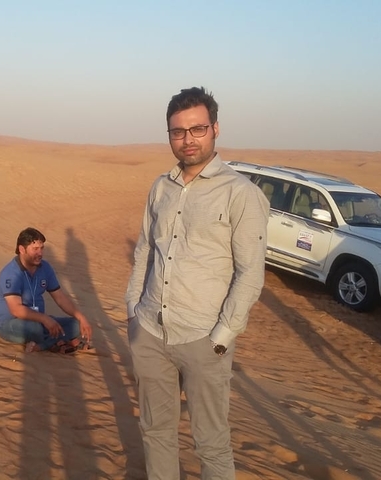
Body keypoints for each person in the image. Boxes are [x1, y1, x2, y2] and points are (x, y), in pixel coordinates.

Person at [125, 87, 269, 479]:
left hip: (204, 339)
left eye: (197, 129)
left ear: (215, 129)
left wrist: (221, 337)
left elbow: (250, 273)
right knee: (155, 431)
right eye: (177, 131)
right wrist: (133, 314)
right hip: (151, 332)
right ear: (169, 136)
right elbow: (144, 252)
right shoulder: (161, 187)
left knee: (211, 443)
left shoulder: (242, 194)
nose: (187, 139)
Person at [0, 227, 93, 353]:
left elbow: (60, 298)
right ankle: (55, 342)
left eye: (42, 248)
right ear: (22, 249)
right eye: (35, 249)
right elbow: (16, 309)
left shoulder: (45, 268)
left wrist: (81, 317)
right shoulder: (11, 273)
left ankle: (42, 345)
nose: (40, 253)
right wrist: (45, 319)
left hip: (40, 320)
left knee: (75, 324)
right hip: (11, 324)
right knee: (36, 328)